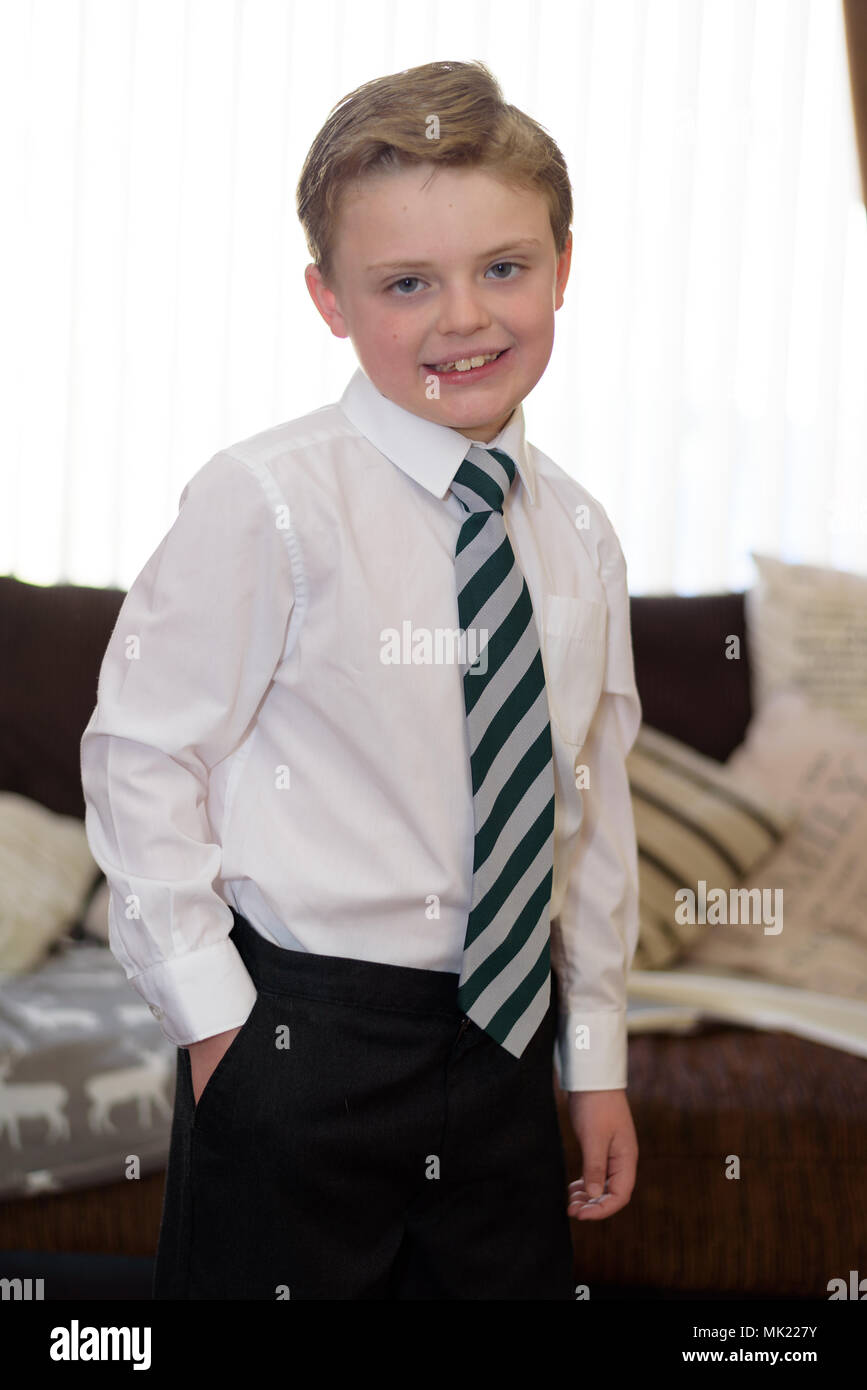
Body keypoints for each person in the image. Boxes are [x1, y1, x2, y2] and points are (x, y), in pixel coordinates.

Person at [80, 57, 642, 1301]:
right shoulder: (269, 501)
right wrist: (219, 1027)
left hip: (502, 1046)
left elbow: (589, 805)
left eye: (505, 267)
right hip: (302, 1035)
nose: (465, 319)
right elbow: (139, 755)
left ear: (564, 265)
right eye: (406, 284)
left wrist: (591, 1053)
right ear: (330, 300)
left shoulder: (583, 535)